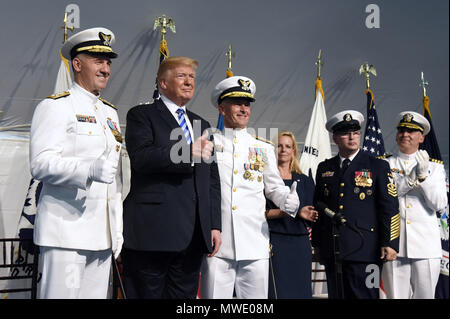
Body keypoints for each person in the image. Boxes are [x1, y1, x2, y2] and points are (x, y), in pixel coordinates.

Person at [30, 27, 123, 299]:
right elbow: (40, 163)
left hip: (102, 234)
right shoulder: (56, 106)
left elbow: (115, 181)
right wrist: (87, 170)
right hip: (66, 233)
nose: (106, 69)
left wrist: (116, 229)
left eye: (108, 62)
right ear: (77, 64)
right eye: (98, 60)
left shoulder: (110, 113)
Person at [121, 56, 221, 299]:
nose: (189, 82)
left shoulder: (202, 123)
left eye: (192, 77)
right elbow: (142, 158)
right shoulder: (141, 115)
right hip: (152, 233)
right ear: (163, 83)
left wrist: (214, 224)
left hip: (193, 238)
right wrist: (186, 153)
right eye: (181, 76)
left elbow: (211, 180)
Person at [200, 76, 300, 299]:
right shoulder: (209, 143)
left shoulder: (262, 147)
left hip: (254, 242)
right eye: (237, 103)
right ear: (221, 108)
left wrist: (287, 200)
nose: (244, 109)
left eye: (247, 104)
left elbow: (274, 188)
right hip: (217, 244)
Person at [312, 110, 400, 299]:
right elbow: (319, 205)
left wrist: (390, 242)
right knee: (337, 296)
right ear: (335, 137)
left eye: (356, 132)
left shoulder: (377, 166)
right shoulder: (325, 168)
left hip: (366, 249)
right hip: (333, 249)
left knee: (367, 296)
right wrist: (318, 244)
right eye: (345, 133)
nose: (352, 137)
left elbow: (390, 207)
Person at [380, 111, 447, 299]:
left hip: (426, 245)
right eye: (401, 130)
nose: (405, 134)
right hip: (395, 244)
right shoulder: (384, 164)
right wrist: (409, 181)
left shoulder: (436, 168)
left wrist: (423, 177)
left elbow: (439, 204)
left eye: (411, 131)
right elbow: (386, 198)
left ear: (421, 137)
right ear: (396, 134)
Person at [265, 131, 318, 299]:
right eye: (279, 146)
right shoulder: (264, 179)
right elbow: (261, 213)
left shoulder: (306, 181)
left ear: (294, 151)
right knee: (277, 292)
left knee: (300, 292)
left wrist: (306, 214)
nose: (283, 150)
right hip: (275, 244)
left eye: (288, 146)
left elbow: (311, 213)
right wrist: (287, 213)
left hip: (299, 244)